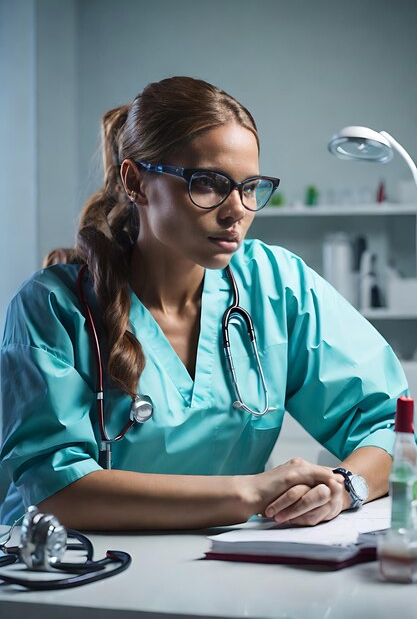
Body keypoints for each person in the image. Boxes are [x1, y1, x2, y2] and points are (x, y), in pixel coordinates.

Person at [0, 76, 407, 530]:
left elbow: (394, 425)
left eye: (250, 187)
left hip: (219, 566)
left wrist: (344, 486)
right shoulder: (52, 307)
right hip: (70, 569)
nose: (237, 210)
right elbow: (58, 491)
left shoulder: (274, 283)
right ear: (136, 182)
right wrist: (250, 491)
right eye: (209, 184)